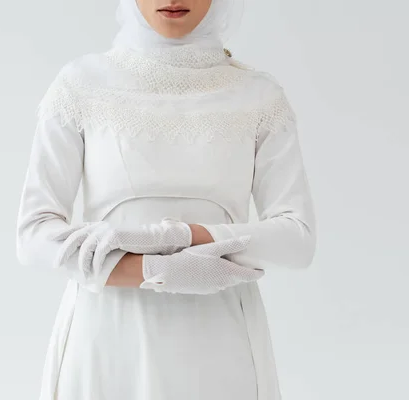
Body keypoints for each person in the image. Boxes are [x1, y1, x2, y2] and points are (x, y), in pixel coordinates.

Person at [16, 0, 317, 399]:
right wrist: (155, 269)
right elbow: (34, 236)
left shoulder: (258, 96)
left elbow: (297, 240)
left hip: (218, 341)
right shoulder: (81, 85)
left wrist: (185, 235)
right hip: (106, 339)